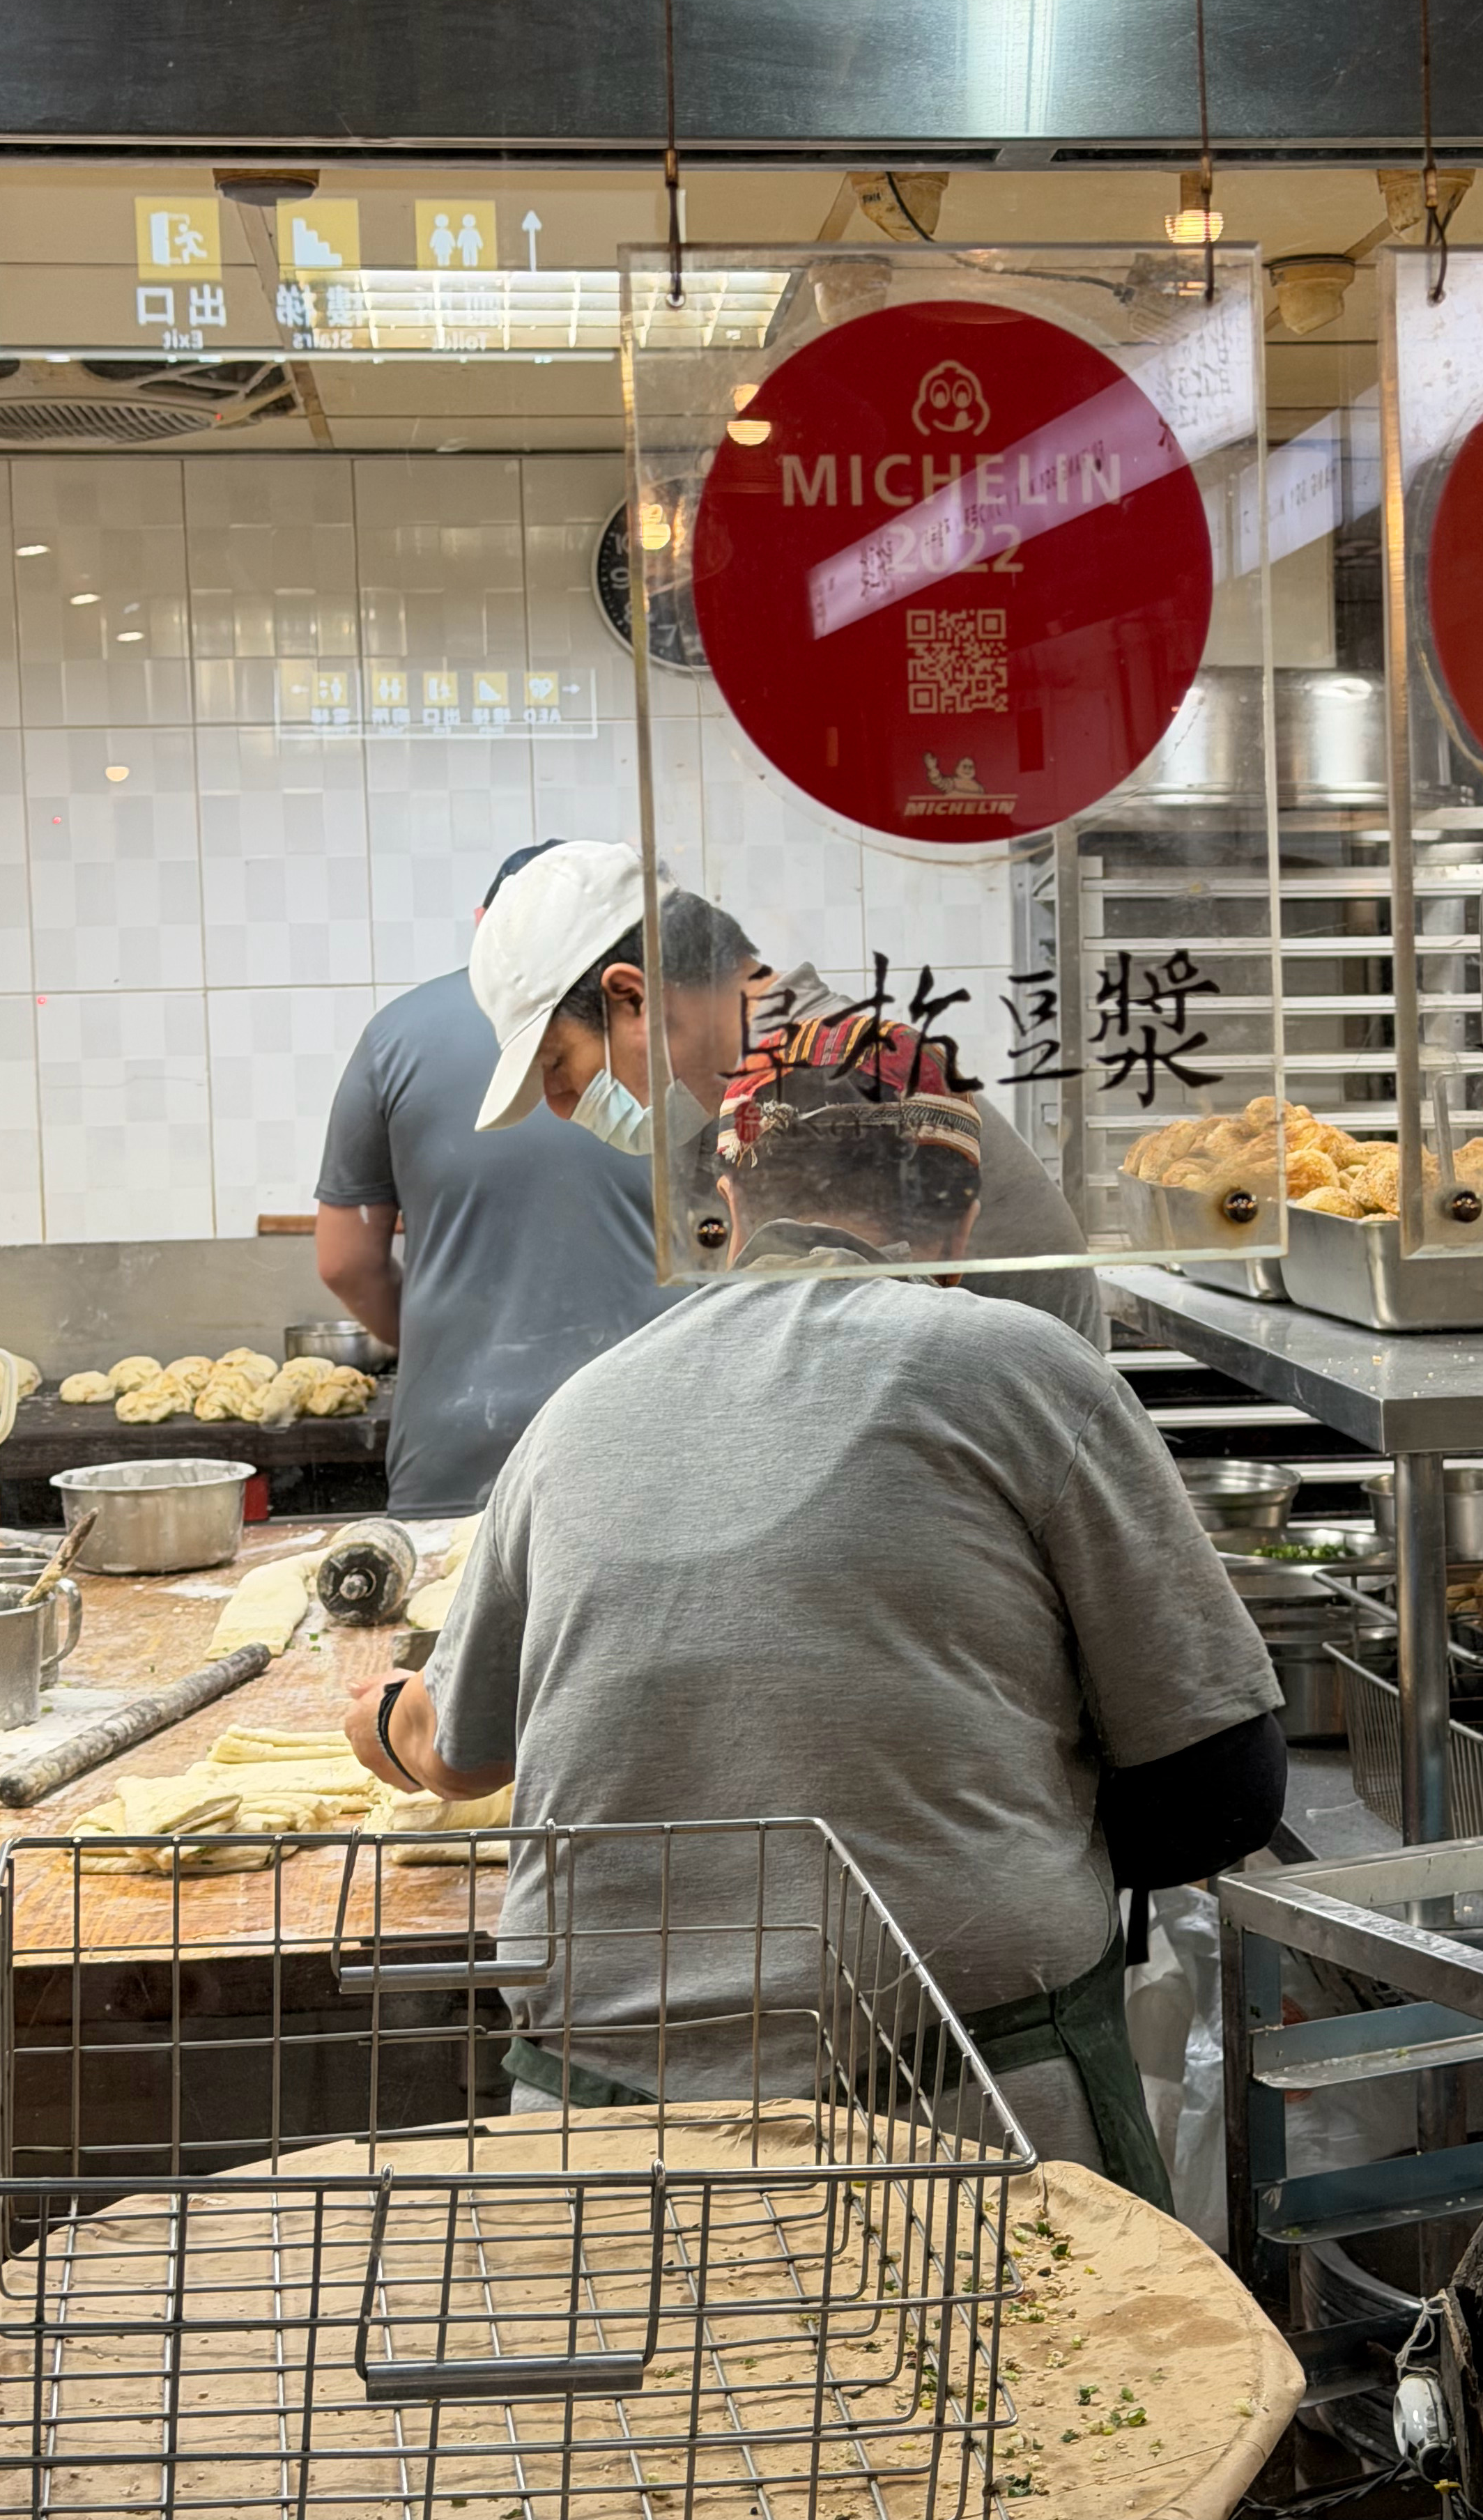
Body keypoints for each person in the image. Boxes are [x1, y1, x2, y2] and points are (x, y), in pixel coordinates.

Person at [346, 1022, 1285, 2202]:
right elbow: (1222, 1789)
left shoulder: (575, 1412)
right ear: (959, 1225)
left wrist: (381, 1718)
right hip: (962, 2125)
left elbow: (460, 1752)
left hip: (597, 2158)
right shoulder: (1025, 1367)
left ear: (729, 1207)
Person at [466, 837, 1107, 1349]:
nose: (559, 1105)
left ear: (634, 998)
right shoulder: (728, 1106)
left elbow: (844, 1378)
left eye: (557, 1064)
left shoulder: (833, 1090)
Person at [314, 842, 667, 1514]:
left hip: (459, 1447)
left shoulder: (393, 1036)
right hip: (649, 1435)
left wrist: (455, 1349)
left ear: (484, 927)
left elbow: (344, 1263)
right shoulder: (663, 1032)